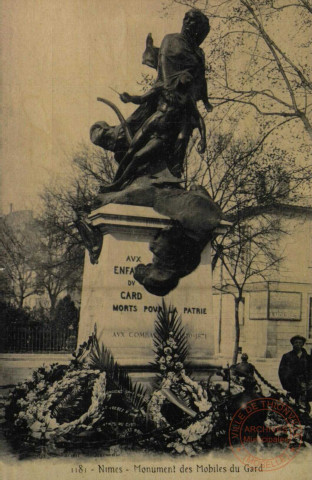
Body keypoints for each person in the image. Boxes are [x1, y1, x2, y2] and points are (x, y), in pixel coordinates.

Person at [90, 9, 212, 184]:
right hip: (163, 100)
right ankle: (117, 182)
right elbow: (162, 68)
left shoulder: (199, 54)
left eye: (194, 21)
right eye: (186, 18)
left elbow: (201, 79)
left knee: (179, 141)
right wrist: (131, 97)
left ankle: (171, 178)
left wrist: (205, 101)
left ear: (200, 28)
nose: (188, 22)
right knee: (134, 144)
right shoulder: (171, 40)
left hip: (183, 106)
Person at [100, 72, 206, 192]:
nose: (189, 80)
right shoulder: (163, 88)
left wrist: (203, 139)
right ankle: (115, 182)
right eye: (187, 77)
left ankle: (119, 184)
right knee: (130, 152)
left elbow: (198, 118)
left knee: (137, 156)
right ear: (179, 77)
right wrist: (129, 98)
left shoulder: (187, 99)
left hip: (162, 136)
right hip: (150, 126)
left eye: (190, 80)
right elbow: (142, 99)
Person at [278, 335, 312, 410]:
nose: (298, 344)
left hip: (304, 386)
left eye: (300, 342)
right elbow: (282, 372)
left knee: (304, 407)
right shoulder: (287, 356)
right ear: (292, 344)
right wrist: (287, 384)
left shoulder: (308, 357)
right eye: (296, 342)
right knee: (292, 405)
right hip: (292, 385)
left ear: (303, 344)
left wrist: (309, 383)